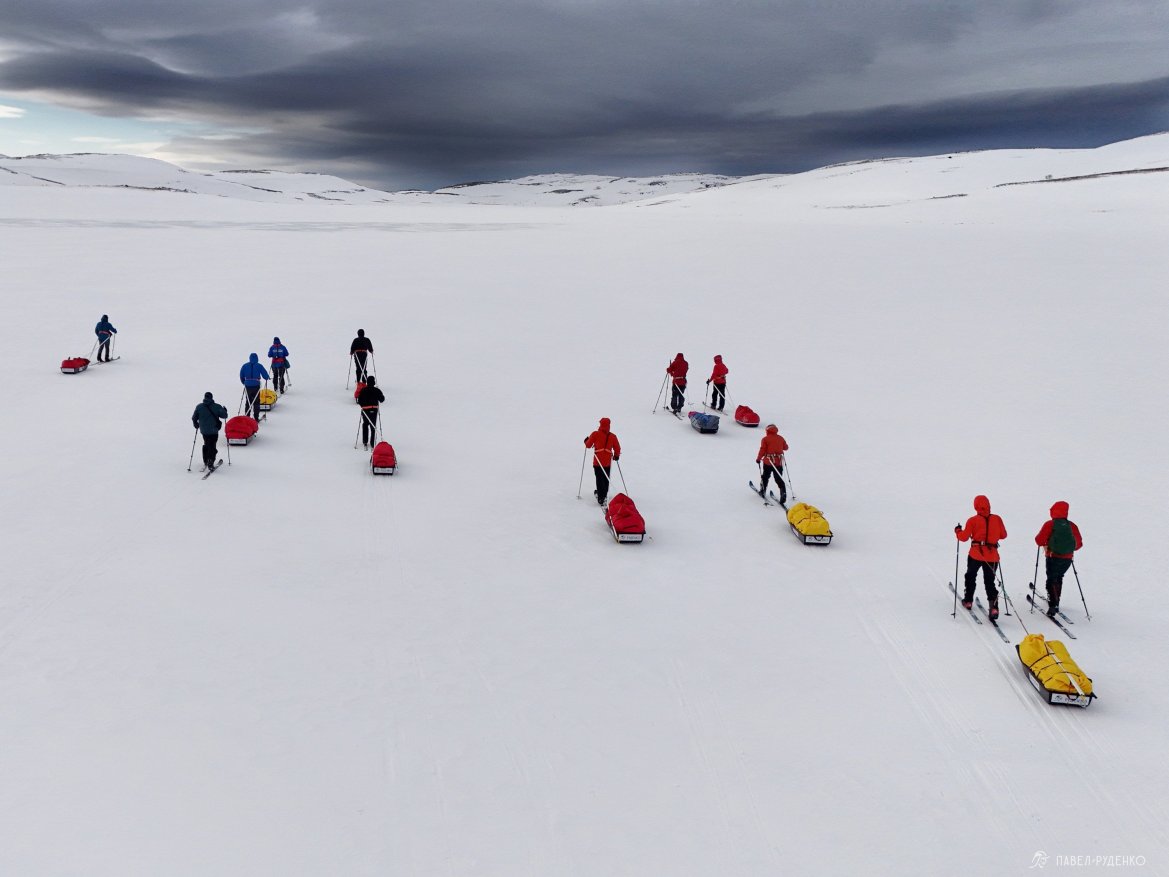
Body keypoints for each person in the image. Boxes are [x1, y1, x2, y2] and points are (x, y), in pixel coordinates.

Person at [955, 495, 1007, 619]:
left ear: (976, 506)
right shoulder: (997, 519)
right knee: (990, 582)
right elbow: (1003, 535)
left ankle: (968, 600)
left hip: (976, 555)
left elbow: (963, 537)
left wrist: (957, 531)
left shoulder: (972, 520)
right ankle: (994, 608)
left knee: (970, 576)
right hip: (992, 556)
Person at [1034, 501, 1083, 617]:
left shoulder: (1050, 524)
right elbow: (1079, 544)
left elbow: (1039, 540)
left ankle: (1053, 604)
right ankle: (1056, 600)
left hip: (1053, 556)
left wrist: (1047, 543)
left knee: (1051, 579)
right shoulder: (1072, 525)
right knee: (1059, 577)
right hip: (1067, 559)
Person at [584, 417, 621, 505]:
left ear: (600, 424)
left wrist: (586, 441)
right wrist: (616, 456)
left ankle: (601, 497)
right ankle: (604, 493)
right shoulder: (612, 436)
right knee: (605, 478)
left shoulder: (595, 434)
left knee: (599, 478)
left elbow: (588, 445)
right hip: (607, 462)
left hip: (597, 461)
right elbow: (617, 447)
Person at [191, 392, 229, 471]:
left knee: (206, 443)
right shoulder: (217, 407)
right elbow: (225, 416)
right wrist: (224, 410)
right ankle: (210, 461)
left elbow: (194, 417)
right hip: (213, 430)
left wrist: (196, 424)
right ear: (211, 398)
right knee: (212, 445)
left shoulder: (199, 407)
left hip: (204, 430)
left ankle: (206, 459)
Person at [755, 424, 789, 503]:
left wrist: (758, 459)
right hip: (778, 462)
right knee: (778, 478)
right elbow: (786, 448)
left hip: (768, 462)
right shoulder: (780, 438)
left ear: (767, 430)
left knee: (765, 477)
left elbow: (762, 450)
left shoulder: (765, 439)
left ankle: (763, 491)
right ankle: (783, 493)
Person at [356, 375, 385, 449]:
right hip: (374, 410)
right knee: (373, 426)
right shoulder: (376, 390)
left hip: (365, 410)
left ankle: (365, 441)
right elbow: (382, 399)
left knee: (365, 424)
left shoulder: (363, 390)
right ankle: (372, 443)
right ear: (374, 382)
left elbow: (359, 401)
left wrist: (363, 406)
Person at [239, 353, 270, 420]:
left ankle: (247, 417)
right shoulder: (259, 366)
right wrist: (267, 377)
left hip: (247, 385)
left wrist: (244, 382)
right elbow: (264, 374)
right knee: (256, 401)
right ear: (257, 358)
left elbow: (241, 375)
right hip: (256, 385)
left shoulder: (245, 366)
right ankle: (256, 417)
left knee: (248, 401)